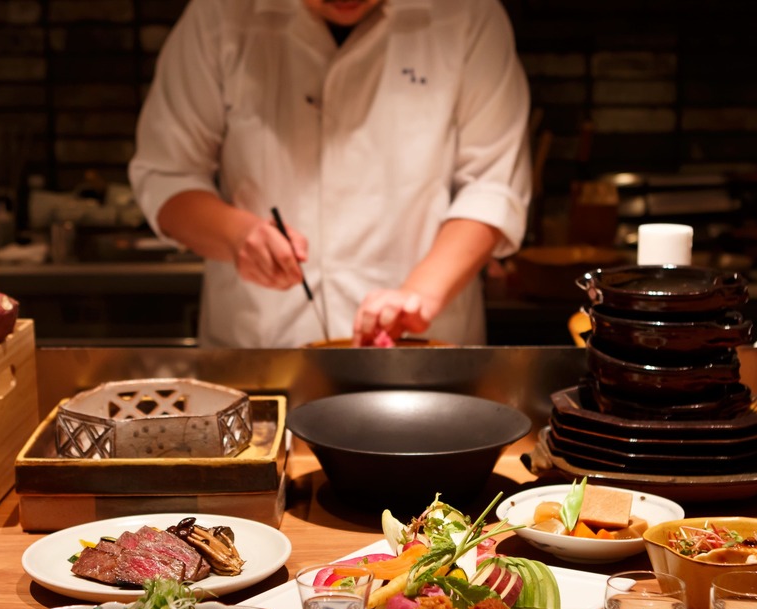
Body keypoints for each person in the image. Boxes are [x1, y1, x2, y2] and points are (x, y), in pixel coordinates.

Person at [129, 0, 531, 348]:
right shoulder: (220, 14)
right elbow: (167, 173)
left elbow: (493, 185)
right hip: (263, 347)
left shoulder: (468, 14)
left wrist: (419, 294)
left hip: (422, 352)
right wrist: (237, 236)